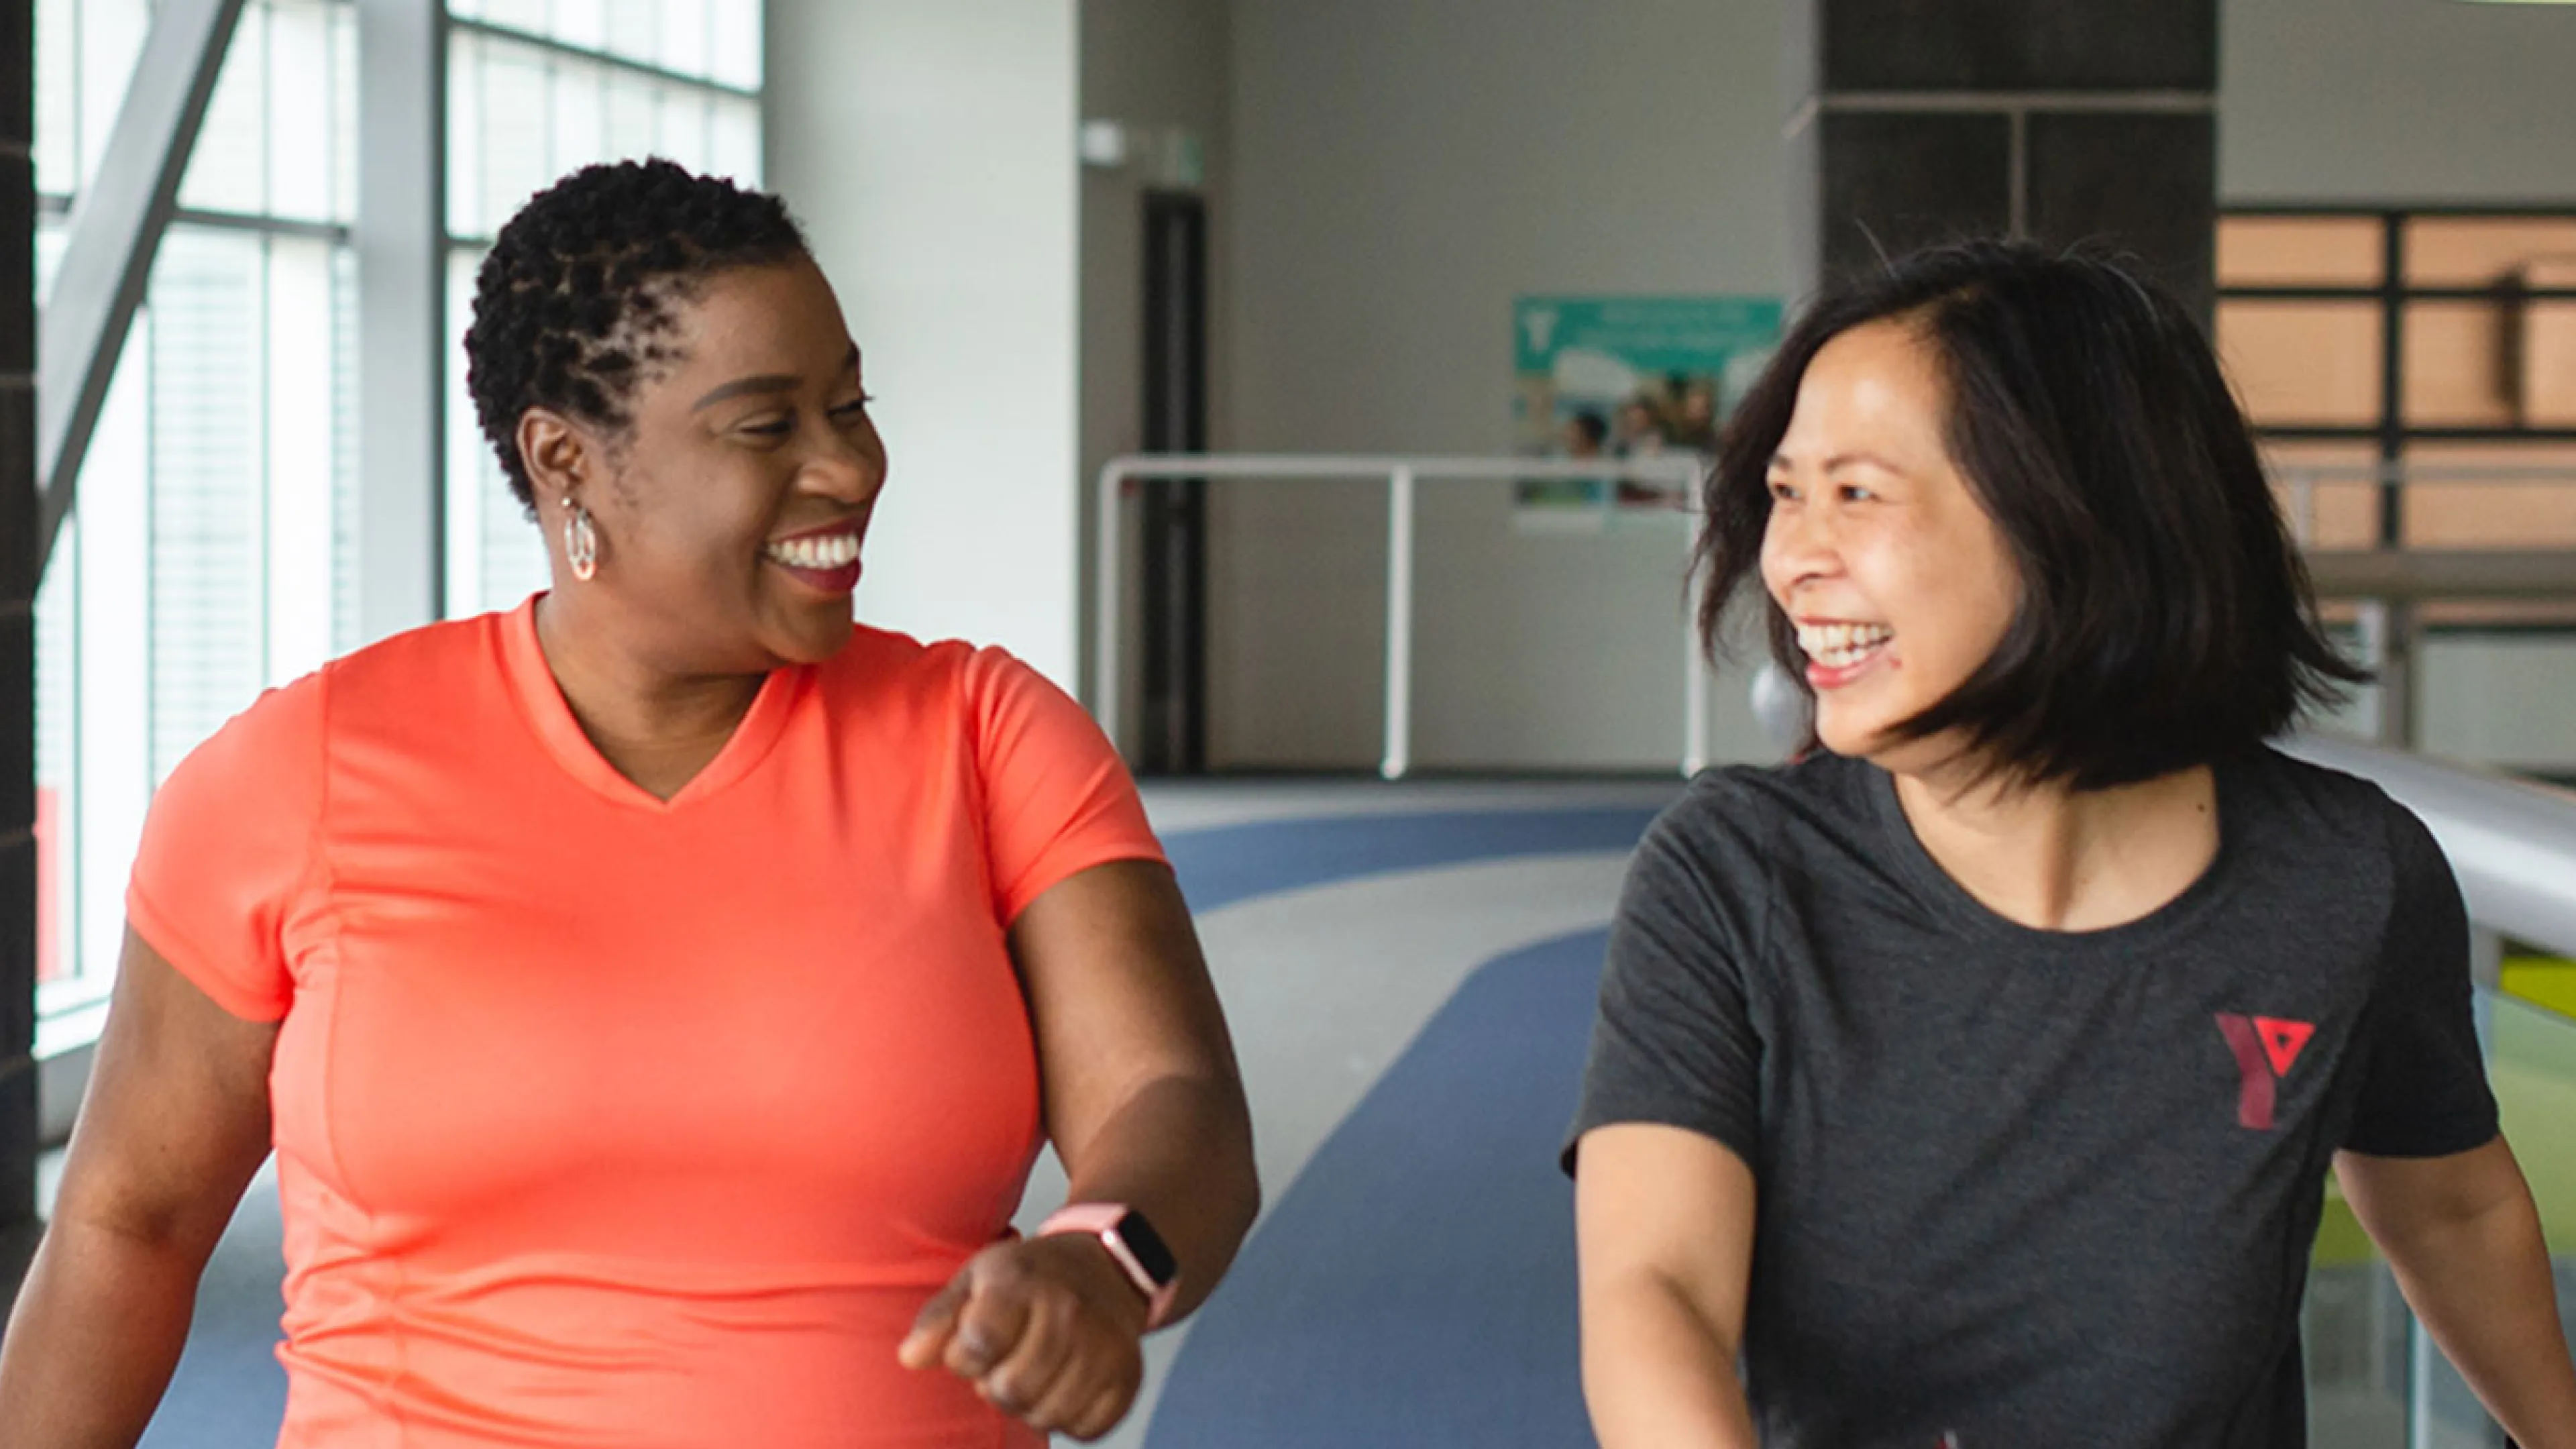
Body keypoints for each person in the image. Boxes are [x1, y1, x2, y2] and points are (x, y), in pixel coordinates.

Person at [0, 160, 1258, 1449]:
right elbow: (126, 1224)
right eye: (768, 427)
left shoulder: (987, 737)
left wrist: (1103, 1264)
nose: (848, 467)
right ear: (566, 463)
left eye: (850, 405)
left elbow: (1178, 1105)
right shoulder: (298, 775)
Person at [1565, 241, 2576, 1447]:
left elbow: (2454, 1211)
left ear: (2075, 519)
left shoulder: (2346, 879)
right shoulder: (1736, 875)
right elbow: (1654, 1292)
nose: (1792, 561)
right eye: (1788, 493)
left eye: (1858, 493)